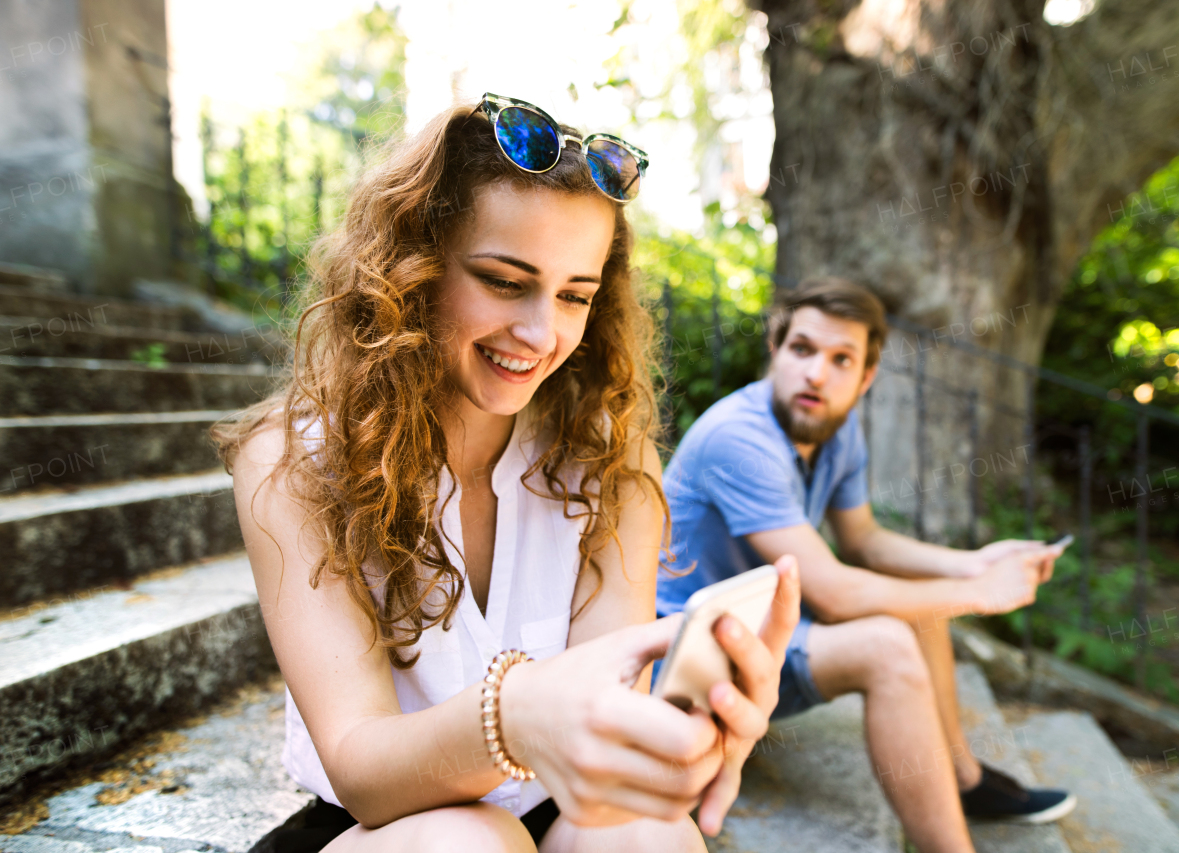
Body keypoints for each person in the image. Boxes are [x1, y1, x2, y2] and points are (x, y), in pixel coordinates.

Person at [213, 92, 801, 853]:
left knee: (654, 835)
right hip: (388, 824)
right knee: (472, 842)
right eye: (503, 280)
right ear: (411, 268)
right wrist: (513, 712)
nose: (540, 332)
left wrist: (692, 730)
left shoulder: (610, 456)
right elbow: (362, 765)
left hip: (555, 805)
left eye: (575, 295)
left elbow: (611, 710)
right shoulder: (290, 461)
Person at [653, 276, 1076, 853]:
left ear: (865, 377)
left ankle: (962, 780)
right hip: (683, 663)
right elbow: (836, 595)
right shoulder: (739, 439)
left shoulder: (838, 426)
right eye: (802, 349)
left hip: (760, 639)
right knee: (885, 645)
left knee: (914, 593)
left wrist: (971, 565)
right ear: (775, 350)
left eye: (841, 359)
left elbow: (866, 541)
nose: (817, 373)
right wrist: (984, 593)